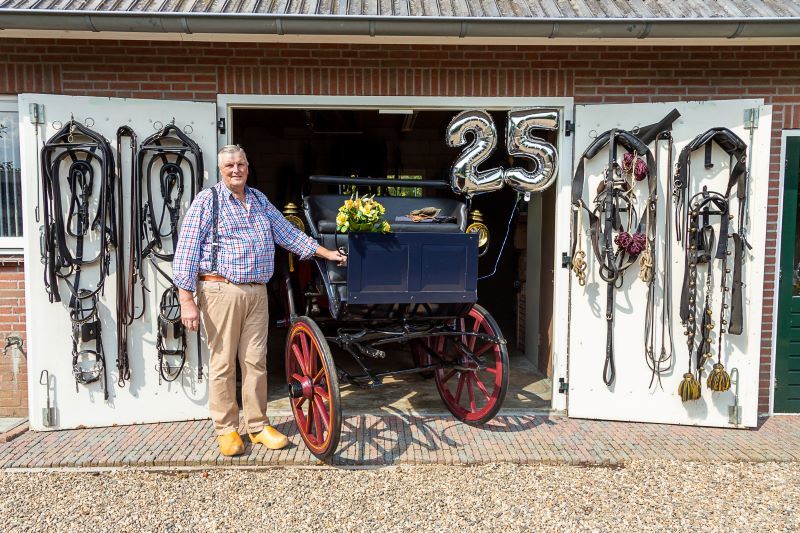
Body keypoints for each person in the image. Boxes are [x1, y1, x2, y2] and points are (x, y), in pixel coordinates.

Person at [173, 145, 346, 456]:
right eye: (229, 166)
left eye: (240, 164)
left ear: (248, 168)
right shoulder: (207, 202)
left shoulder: (258, 200)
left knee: (256, 361)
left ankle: (257, 425)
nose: (236, 170)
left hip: (257, 291)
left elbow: (287, 234)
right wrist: (186, 298)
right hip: (220, 290)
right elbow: (186, 250)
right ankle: (227, 430)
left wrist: (326, 253)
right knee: (223, 362)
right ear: (220, 169)